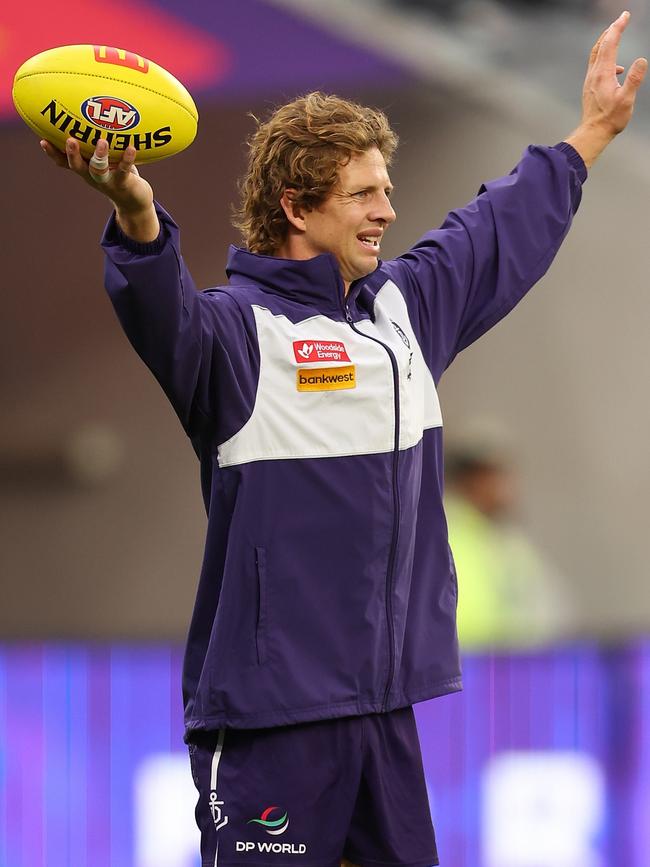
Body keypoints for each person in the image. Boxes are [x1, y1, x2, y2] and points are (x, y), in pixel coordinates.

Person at [40, 12, 646, 867]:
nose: (387, 211)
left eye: (386, 189)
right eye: (364, 193)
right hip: (267, 724)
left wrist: (587, 135)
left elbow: (496, 230)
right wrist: (138, 213)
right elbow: (157, 308)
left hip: (382, 714)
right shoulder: (234, 336)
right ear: (296, 204)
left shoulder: (407, 308)